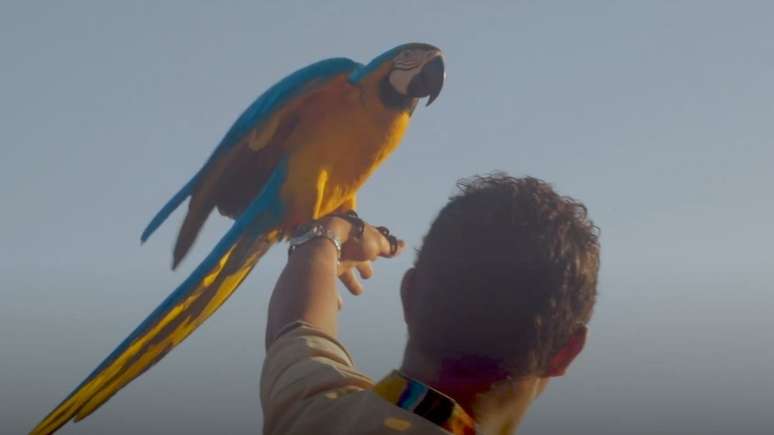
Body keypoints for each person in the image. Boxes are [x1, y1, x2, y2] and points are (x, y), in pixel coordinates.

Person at [261, 174, 600, 435]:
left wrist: (331, 234)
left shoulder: (316, 413)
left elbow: (296, 328)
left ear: (408, 295)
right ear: (566, 352)